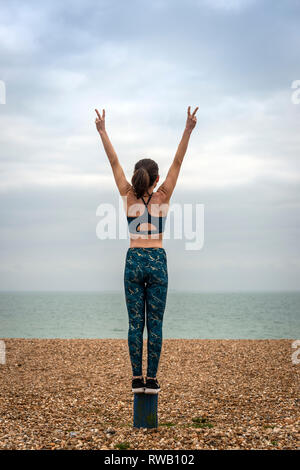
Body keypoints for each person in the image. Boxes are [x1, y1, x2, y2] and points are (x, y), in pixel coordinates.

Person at [95, 106, 198, 394]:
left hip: (134, 260)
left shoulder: (127, 195)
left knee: (134, 324)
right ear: (155, 179)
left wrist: (103, 131)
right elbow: (179, 160)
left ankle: (135, 379)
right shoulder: (163, 195)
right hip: (157, 261)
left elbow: (113, 161)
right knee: (155, 324)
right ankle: (151, 380)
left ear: (138, 177)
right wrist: (188, 129)